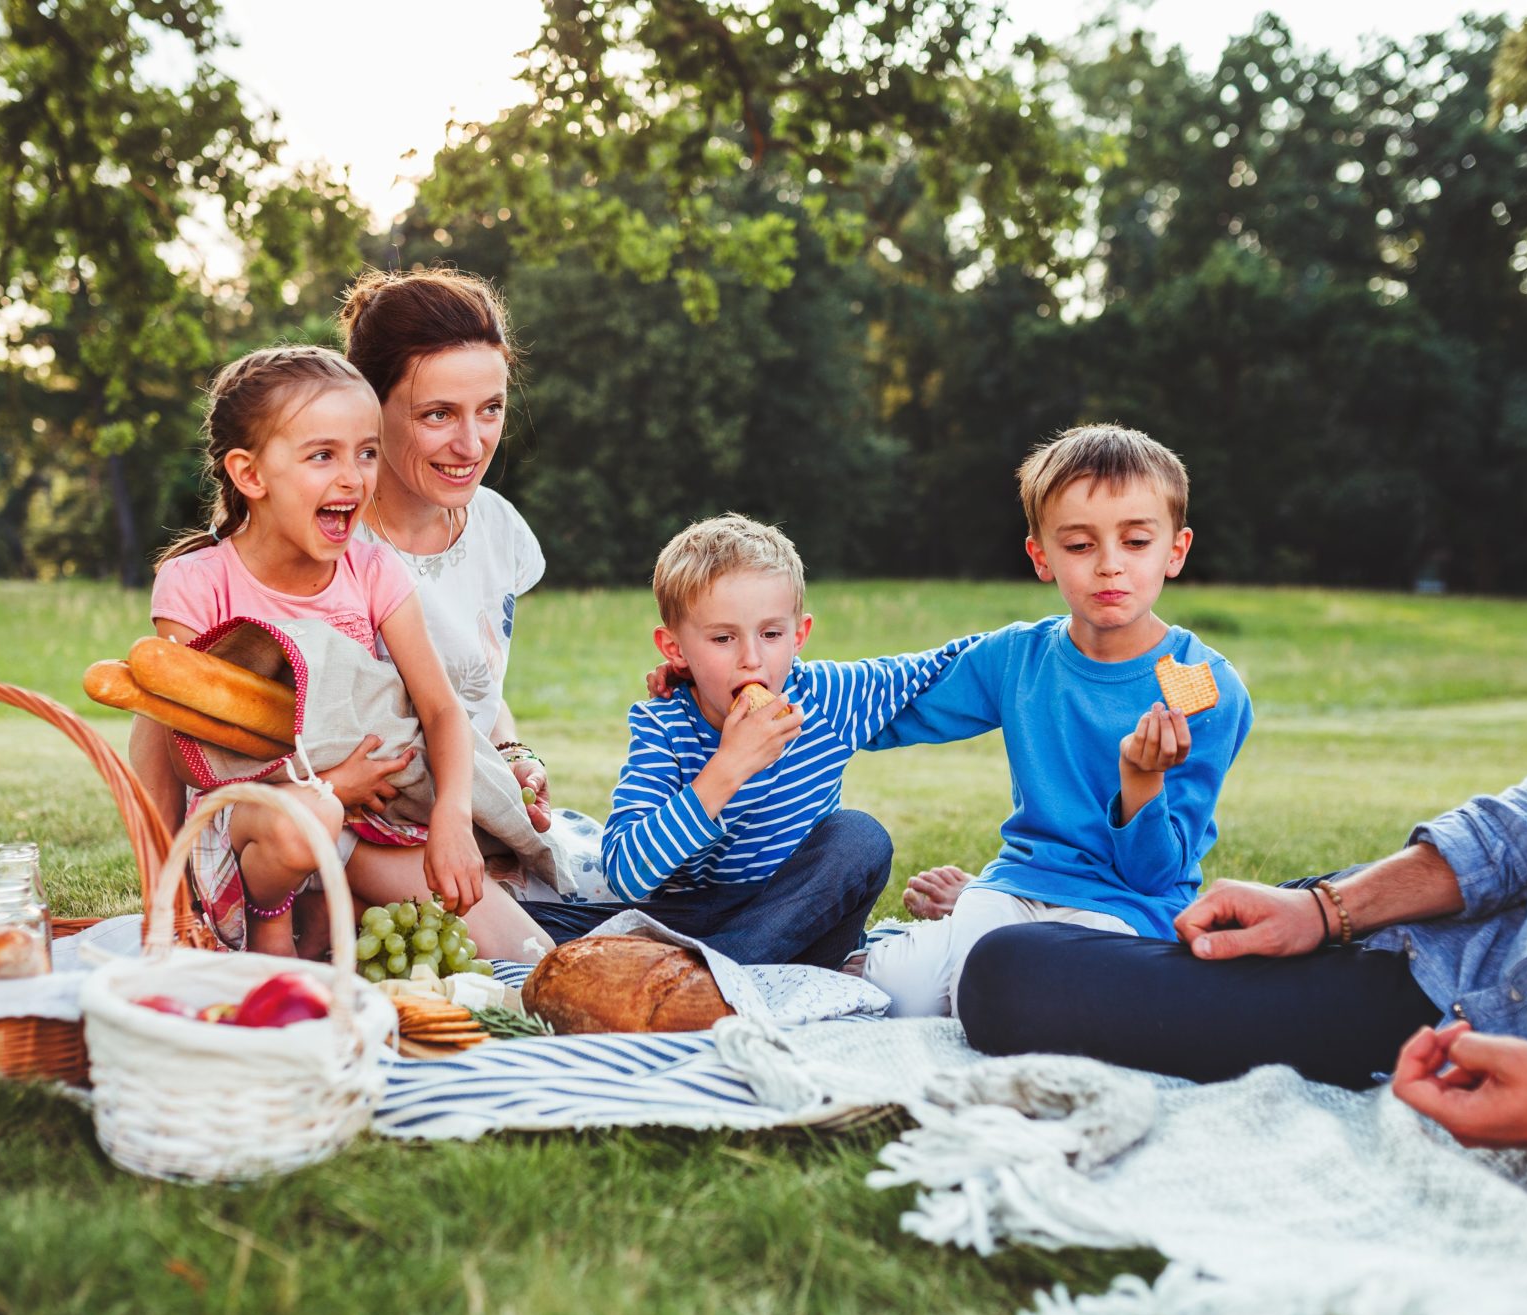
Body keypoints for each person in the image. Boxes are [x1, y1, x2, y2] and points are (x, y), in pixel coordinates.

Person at [951, 364, 1527, 1197]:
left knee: (1008, 974)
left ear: (1175, 549)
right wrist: (1323, 909)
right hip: (1424, 951)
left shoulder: (1205, 677)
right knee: (1023, 958)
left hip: (1490, 1035)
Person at [136, 345, 554, 961]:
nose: (353, 478)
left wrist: (452, 821)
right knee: (307, 819)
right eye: (322, 455)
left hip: (370, 823)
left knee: (529, 953)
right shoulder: (197, 584)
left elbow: (440, 711)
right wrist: (333, 784)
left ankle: (333, 915)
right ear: (250, 475)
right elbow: (177, 743)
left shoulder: (371, 570)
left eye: (366, 453)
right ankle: (273, 923)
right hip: (253, 820)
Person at [855, 424, 1253, 1016]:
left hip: (1120, 910)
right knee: (900, 998)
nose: (1110, 566)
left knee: (1037, 1001)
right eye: (1080, 545)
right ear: (1042, 556)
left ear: (1176, 550)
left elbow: (1154, 875)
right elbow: (888, 701)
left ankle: (960, 921)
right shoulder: (1019, 658)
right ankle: (952, 921)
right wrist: (750, 681)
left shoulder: (1209, 689)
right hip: (1019, 884)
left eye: (1137, 541)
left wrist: (1141, 782)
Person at [537, 513, 976, 967]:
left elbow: (948, 665)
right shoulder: (664, 725)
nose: (752, 660)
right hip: (690, 919)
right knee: (525, 924)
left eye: (771, 634)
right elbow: (626, 874)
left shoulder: (826, 696)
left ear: (799, 635)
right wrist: (727, 768)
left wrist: (1054, 632)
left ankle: (712, 978)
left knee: (861, 836)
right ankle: (715, 971)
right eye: (723, 638)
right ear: (674, 650)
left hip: (799, 916)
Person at [338, 268, 555, 835]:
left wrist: (513, 751)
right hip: (362, 830)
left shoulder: (498, 526)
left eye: (490, 408)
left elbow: (476, 690)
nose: (471, 444)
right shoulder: (329, 543)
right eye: (438, 414)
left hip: (470, 817)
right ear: (368, 405)